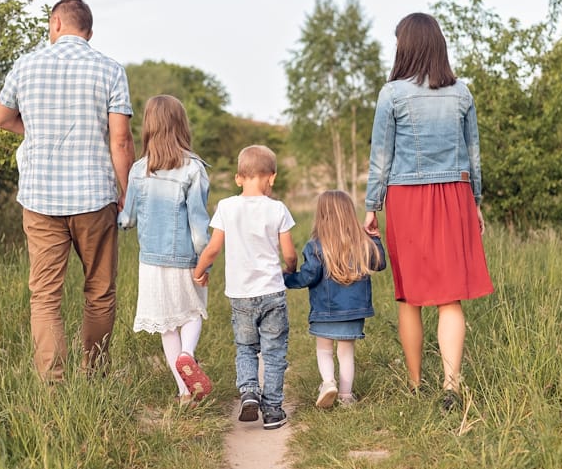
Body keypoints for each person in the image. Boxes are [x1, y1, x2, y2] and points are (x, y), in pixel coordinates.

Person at [0, 0, 135, 382]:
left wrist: (37, 131)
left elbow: (1, 118)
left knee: (45, 296)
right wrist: (128, 193)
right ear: (88, 30)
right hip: (94, 198)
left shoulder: (26, 65)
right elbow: (120, 141)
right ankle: (95, 376)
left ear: (56, 24)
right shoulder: (109, 69)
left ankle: (52, 384)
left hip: (40, 200)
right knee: (100, 292)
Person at [363, 12, 493, 412]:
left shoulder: (393, 95)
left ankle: (416, 383)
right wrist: (475, 201)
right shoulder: (462, 93)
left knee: (410, 298)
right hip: (454, 195)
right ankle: (451, 387)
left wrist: (372, 206)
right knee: (450, 298)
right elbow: (473, 155)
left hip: (407, 199)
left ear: (406, 46)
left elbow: (379, 157)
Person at [118, 95, 214, 407]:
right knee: (193, 312)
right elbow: (199, 225)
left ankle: (185, 393)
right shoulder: (193, 169)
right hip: (185, 258)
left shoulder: (138, 171)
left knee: (167, 326)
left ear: (148, 128)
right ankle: (189, 355)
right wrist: (205, 263)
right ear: (181, 126)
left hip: (151, 262)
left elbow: (127, 220)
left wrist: (118, 216)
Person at [193, 145, 297, 429]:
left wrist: (200, 271)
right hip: (272, 292)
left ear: (239, 178)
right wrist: (291, 269)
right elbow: (288, 253)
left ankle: (249, 391)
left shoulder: (226, 206)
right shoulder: (278, 209)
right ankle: (273, 410)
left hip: (240, 295)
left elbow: (213, 248)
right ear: (271, 177)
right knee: (274, 352)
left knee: (246, 347)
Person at [285, 190, 385, 408]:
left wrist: (286, 278)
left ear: (321, 216)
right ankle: (346, 396)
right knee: (346, 352)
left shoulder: (315, 246)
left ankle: (329, 382)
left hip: (325, 310)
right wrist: (375, 238)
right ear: (350, 214)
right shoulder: (363, 243)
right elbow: (380, 264)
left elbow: (308, 276)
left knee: (324, 349)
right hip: (355, 311)